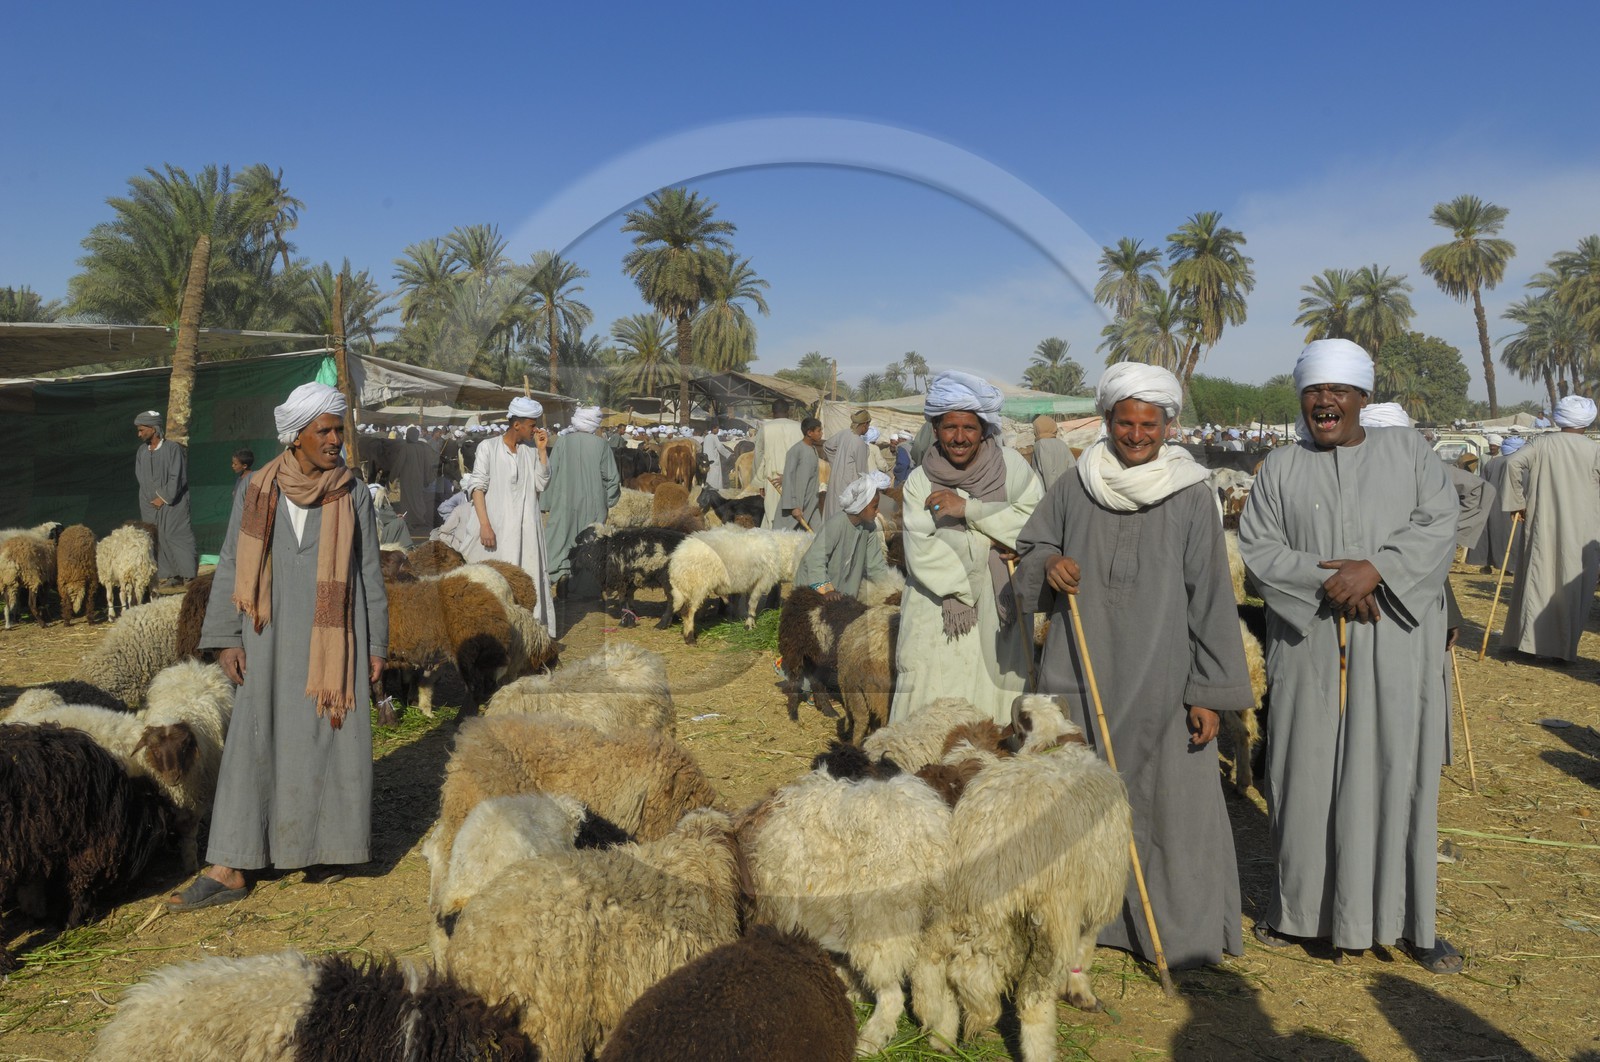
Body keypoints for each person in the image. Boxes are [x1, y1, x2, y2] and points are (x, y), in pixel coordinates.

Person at [1015, 362, 1253, 969]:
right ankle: (1080, 927)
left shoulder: (1191, 493)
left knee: (1170, 805)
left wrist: (1209, 692)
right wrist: (1049, 565)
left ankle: (1171, 932)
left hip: (1164, 679)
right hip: (1082, 667)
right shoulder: (1075, 485)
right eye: (1126, 422)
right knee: (1076, 799)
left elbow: (1211, 597)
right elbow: (1033, 547)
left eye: (1151, 424)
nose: (1137, 435)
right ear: (1107, 420)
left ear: (1169, 425)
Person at [1239, 339, 1460, 973]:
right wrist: (1333, 581)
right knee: (1304, 774)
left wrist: (1378, 571)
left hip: (1396, 642)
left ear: (1363, 396)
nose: (1324, 400)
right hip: (1310, 644)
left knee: (1396, 770)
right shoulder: (1280, 467)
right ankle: (1300, 913)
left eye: (1338, 390)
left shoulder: (1408, 451)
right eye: (1314, 390)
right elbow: (1258, 551)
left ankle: (1409, 923)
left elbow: (1438, 523)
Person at [169, 382, 387, 910]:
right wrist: (226, 638)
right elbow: (230, 561)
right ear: (296, 436)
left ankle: (326, 847)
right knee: (255, 738)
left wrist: (377, 644)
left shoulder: (352, 492)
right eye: (324, 430)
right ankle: (231, 864)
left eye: (339, 429)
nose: (335, 439)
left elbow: (370, 572)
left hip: (335, 640)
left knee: (329, 738)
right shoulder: (258, 487)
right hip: (266, 639)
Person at [892, 372, 1042, 725]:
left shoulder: (1012, 468)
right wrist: (995, 536)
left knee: (997, 706)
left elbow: (1035, 524)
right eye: (950, 427)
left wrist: (967, 510)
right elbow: (923, 553)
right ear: (936, 428)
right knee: (933, 709)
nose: (959, 438)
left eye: (969, 428)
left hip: (1000, 605)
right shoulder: (919, 482)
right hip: (937, 610)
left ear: (984, 429)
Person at [441, 397, 556, 637]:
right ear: (517, 425)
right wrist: (485, 525)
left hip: (526, 530)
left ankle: (528, 634)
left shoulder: (530, 452)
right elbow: (477, 488)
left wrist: (542, 451)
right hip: (496, 529)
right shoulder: (489, 448)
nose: (535, 430)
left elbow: (541, 483)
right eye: (532, 425)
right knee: (492, 581)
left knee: (527, 578)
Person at [1498, 394, 1600, 662]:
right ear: (1587, 422)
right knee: (1573, 586)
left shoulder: (1541, 443)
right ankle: (1563, 651)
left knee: (1538, 579)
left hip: (1542, 525)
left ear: (1559, 418)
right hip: (1583, 531)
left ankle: (1529, 645)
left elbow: (1512, 463)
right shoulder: (1594, 450)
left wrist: (1517, 503)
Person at [541, 405, 621, 597]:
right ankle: (586, 590)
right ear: (594, 424)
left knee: (561, 540)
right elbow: (612, 479)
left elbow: (551, 473)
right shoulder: (601, 445)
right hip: (593, 505)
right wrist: (608, 501)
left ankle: (562, 579)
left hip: (563, 503)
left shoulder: (562, 442)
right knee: (589, 544)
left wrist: (546, 502)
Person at [794, 471, 892, 600]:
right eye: (875, 507)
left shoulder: (870, 528)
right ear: (861, 505)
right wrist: (827, 590)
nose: (877, 511)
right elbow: (815, 560)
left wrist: (891, 589)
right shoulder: (836, 524)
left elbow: (875, 566)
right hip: (812, 590)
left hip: (841, 593)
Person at [133, 410, 198, 588]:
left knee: (177, 535)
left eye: (141, 430)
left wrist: (163, 497)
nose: (139, 434)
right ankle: (170, 575)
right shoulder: (142, 451)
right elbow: (140, 476)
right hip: (149, 504)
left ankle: (188, 575)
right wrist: (150, 498)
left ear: (153, 429)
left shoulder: (172, 449)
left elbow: (177, 476)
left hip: (173, 502)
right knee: (158, 537)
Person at [1470, 434, 1523, 572]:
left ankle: (1489, 565)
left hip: (1492, 505)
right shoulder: (1519, 464)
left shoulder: (1492, 463)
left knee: (1492, 535)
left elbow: (1482, 484)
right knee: (1511, 536)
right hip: (1513, 507)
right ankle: (1508, 567)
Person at [752, 399, 804, 528]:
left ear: (772, 412)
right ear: (788, 411)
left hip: (773, 478)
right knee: (795, 514)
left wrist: (760, 482)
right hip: (796, 477)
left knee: (772, 513)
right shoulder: (799, 427)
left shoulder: (765, 428)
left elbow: (758, 456)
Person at [821, 409, 873, 518]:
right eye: (868, 425)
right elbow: (862, 472)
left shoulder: (844, 433)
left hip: (835, 479)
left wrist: (837, 464)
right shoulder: (859, 443)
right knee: (843, 516)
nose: (868, 428)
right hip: (849, 485)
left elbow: (827, 446)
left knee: (832, 511)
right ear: (864, 424)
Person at [777, 417, 824, 531]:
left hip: (811, 503)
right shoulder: (796, 450)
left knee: (819, 534)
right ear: (809, 433)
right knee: (786, 535)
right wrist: (793, 507)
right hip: (797, 505)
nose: (821, 434)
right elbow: (789, 478)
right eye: (818, 431)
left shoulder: (813, 450)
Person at [1028, 414, 1076, 490]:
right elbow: (1072, 468)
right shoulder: (1062, 444)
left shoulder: (1040, 444)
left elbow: (1048, 474)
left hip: (1051, 492)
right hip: (1066, 490)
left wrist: (1054, 494)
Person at [700, 420, 733, 491]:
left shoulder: (706, 437)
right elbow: (720, 447)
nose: (718, 430)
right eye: (717, 428)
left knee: (709, 475)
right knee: (715, 476)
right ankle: (715, 490)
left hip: (707, 460)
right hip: (714, 460)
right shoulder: (714, 437)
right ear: (713, 428)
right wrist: (729, 454)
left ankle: (708, 489)